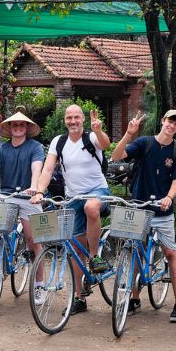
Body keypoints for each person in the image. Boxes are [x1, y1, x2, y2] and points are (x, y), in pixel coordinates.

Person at [28, 104, 113, 315]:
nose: (72, 121)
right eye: (69, 118)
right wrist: (39, 191)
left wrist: (98, 130)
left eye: (76, 117)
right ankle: (79, 298)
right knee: (75, 249)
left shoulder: (91, 137)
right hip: (73, 196)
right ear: (65, 120)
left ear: (82, 120)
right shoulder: (59, 142)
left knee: (91, 207)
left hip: (98, 191)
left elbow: (106, 144)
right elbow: (48, 169)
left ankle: (95, 258)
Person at [112, 109, 176, 323]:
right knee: (134, 250)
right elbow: (116, 156)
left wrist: (169, 198)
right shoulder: (144, 143)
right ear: (162, 121)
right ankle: (134, 299)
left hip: (163, 211)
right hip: (140, 207)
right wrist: (129, 134)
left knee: (171, 253)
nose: (171, 125)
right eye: (169, 121)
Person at [0, 111, 47, 272]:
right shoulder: (1, 148)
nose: (18, 128)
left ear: (27, 127)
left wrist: (34, 186)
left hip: (29, 196)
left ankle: (39, 285)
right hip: (6, 195)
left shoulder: (35, 147)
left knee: (34, 240)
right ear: (10, 127)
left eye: (22, 124)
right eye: (15, 124)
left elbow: (37, 168)